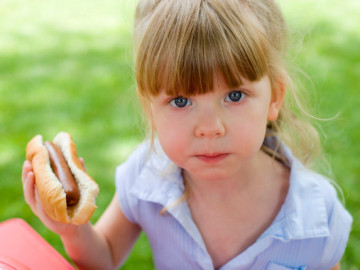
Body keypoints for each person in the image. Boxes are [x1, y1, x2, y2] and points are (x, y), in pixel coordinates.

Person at [22, 0, 352, 269]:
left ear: (274, 98)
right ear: (150, 109)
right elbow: (105, 257)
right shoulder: (147, 177)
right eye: (181, 101)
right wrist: (71, 230)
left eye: (234, 96)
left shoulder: (315, 214)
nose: (210, 128)